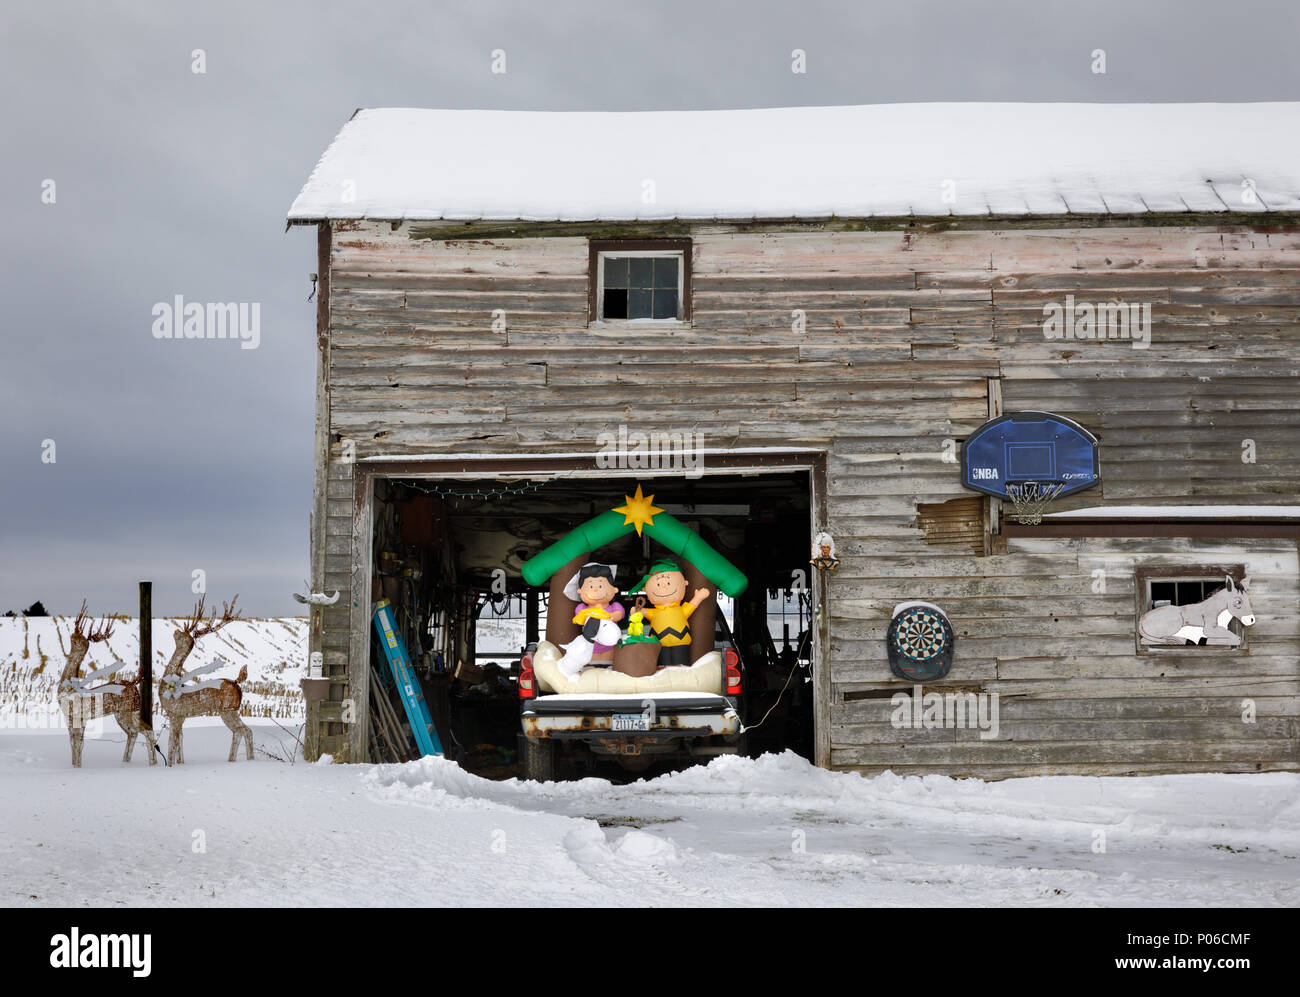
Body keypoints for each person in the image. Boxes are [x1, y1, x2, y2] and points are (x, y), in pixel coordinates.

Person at [628, 559, 710, 667]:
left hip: (681, 641)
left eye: (668, 583)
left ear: (684, 583)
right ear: (646, 590)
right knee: (662, 666)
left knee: (680, 666)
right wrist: (637, 611)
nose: (663, 586)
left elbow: (691, 606)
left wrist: (698, 597)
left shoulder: (680, 610)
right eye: (658, 584)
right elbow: (642, 612)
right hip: (659, 643)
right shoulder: (655, 612)